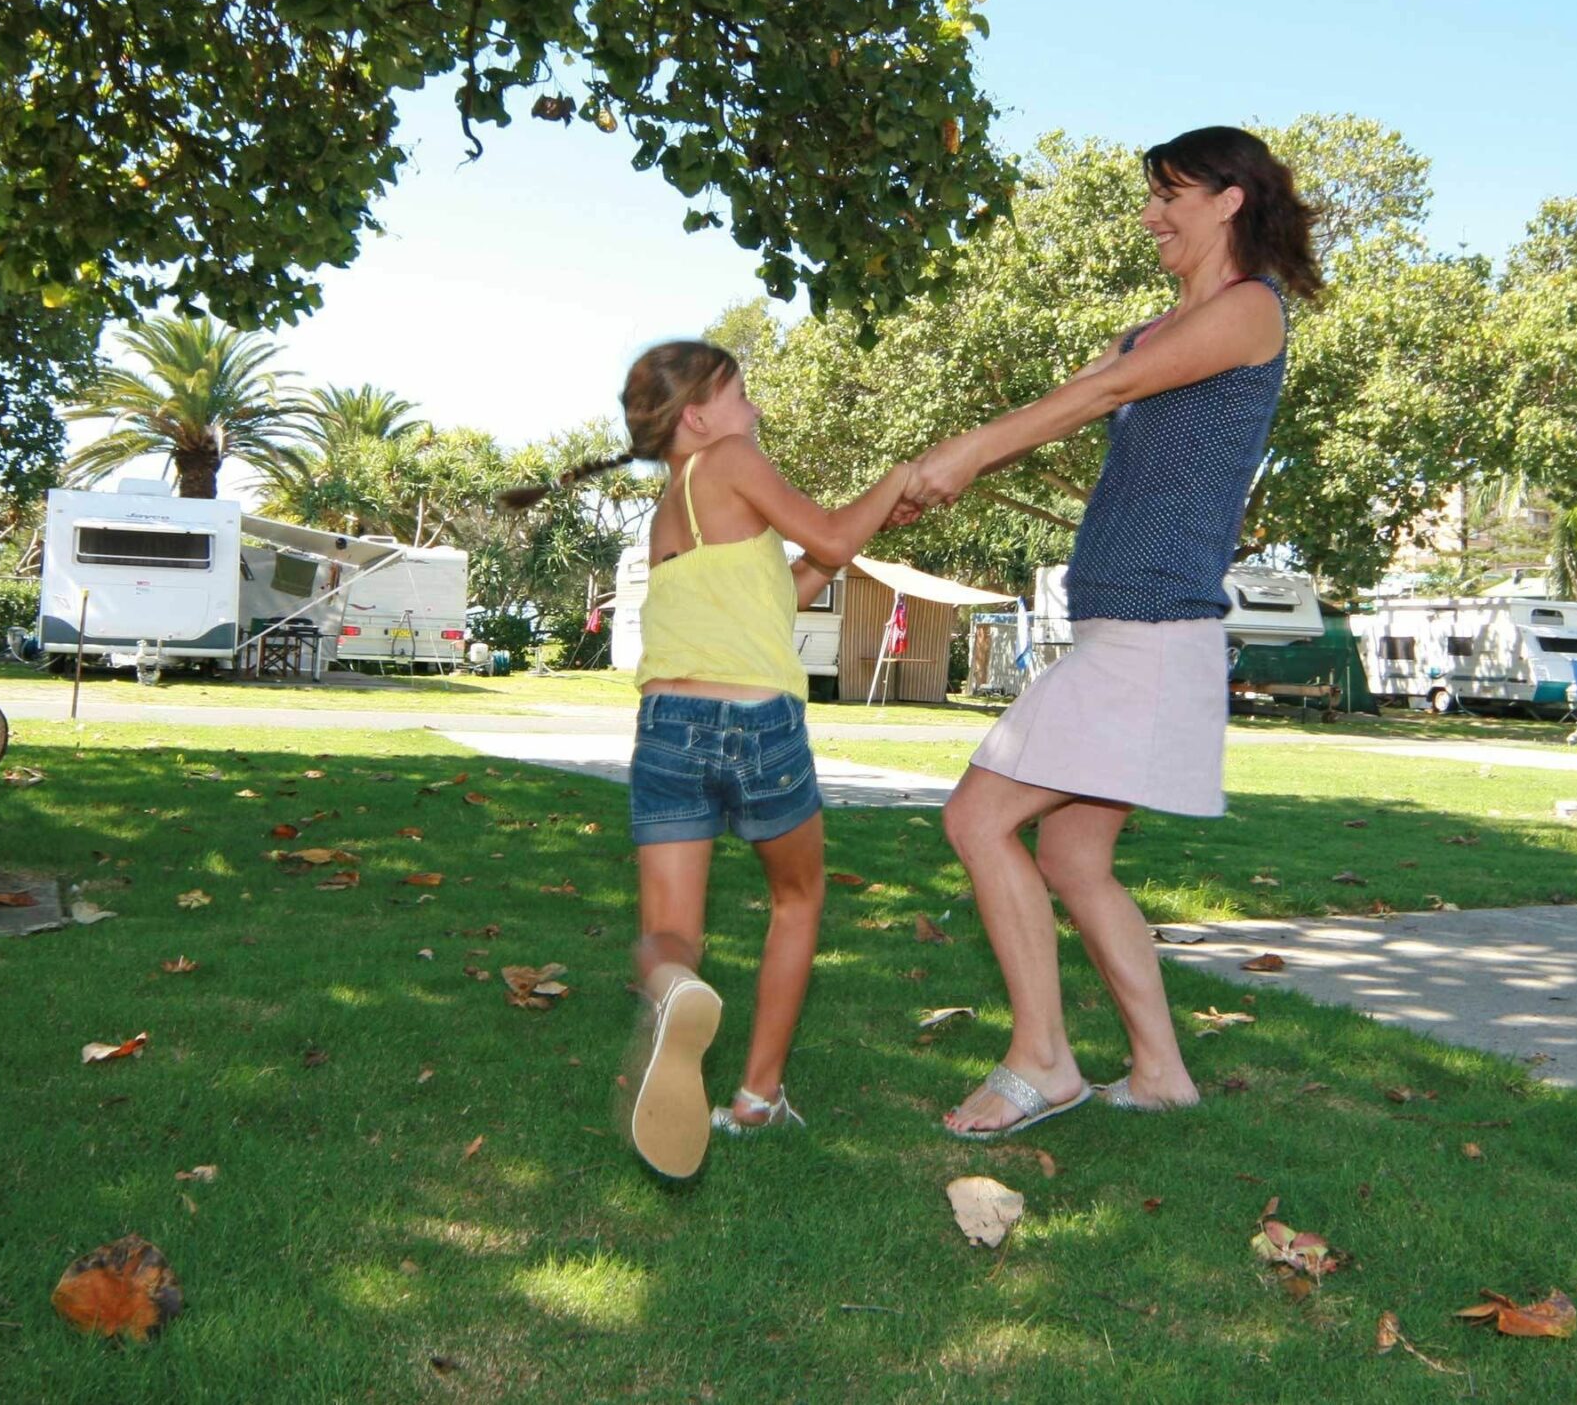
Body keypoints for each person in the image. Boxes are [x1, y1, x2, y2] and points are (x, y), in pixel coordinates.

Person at [902, 126, 1323, 1139]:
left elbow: (1107, 393)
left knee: (976, 819)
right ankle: (1161, 1073)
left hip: (1150, 631)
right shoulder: (1152, 328)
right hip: (1122, 628)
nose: (1148, 215)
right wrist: (935, 474)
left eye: (1167, 195)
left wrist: (968, 452)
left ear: (1229, 200)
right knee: (1073, 860)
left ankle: (1041, 1062)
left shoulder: (1247, 313)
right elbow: (1077, 393)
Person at [509, 341, 917, 1178]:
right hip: (758, 720)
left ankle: (674, 991)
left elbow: (786, 587)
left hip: (667, 721)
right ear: (698, 417)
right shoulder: (732, 459)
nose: (755, 411)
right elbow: (836, 533)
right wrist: (897, 477)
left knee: (667, 933)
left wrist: (860, 529)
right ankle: (758, 1097)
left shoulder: (670, 510)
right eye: (741, 395)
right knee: (797, 898)